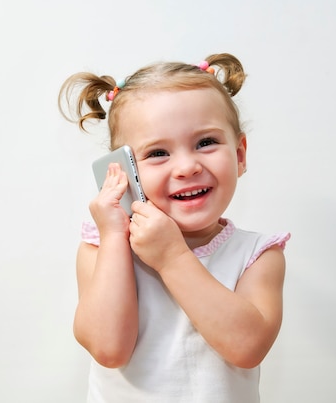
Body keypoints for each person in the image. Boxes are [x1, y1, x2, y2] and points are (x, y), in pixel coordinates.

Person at [58, 52, 290, 403]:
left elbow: (247, 347)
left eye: (206, 143)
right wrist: (114, 239)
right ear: (119, 172)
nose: (186, 167)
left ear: (240, 154)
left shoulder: (258, 256)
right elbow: (108, 349)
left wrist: (171, 257)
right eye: (158, 153)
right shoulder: (101, 248)